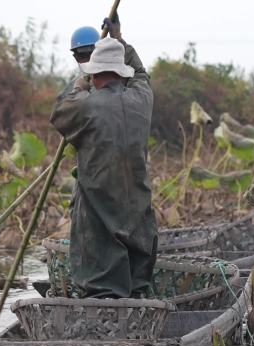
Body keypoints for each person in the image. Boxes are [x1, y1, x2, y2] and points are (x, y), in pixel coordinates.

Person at [49, 17, 157, 299]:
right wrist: (120, 40)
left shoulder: (86, 105)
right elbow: (141, 73)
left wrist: (79, 87)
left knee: (102, 290)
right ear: (121, 74)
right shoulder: (142, 100)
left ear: (94, 74)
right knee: (136, 290)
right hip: (139, 214)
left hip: (99, 216)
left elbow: (60, 112)